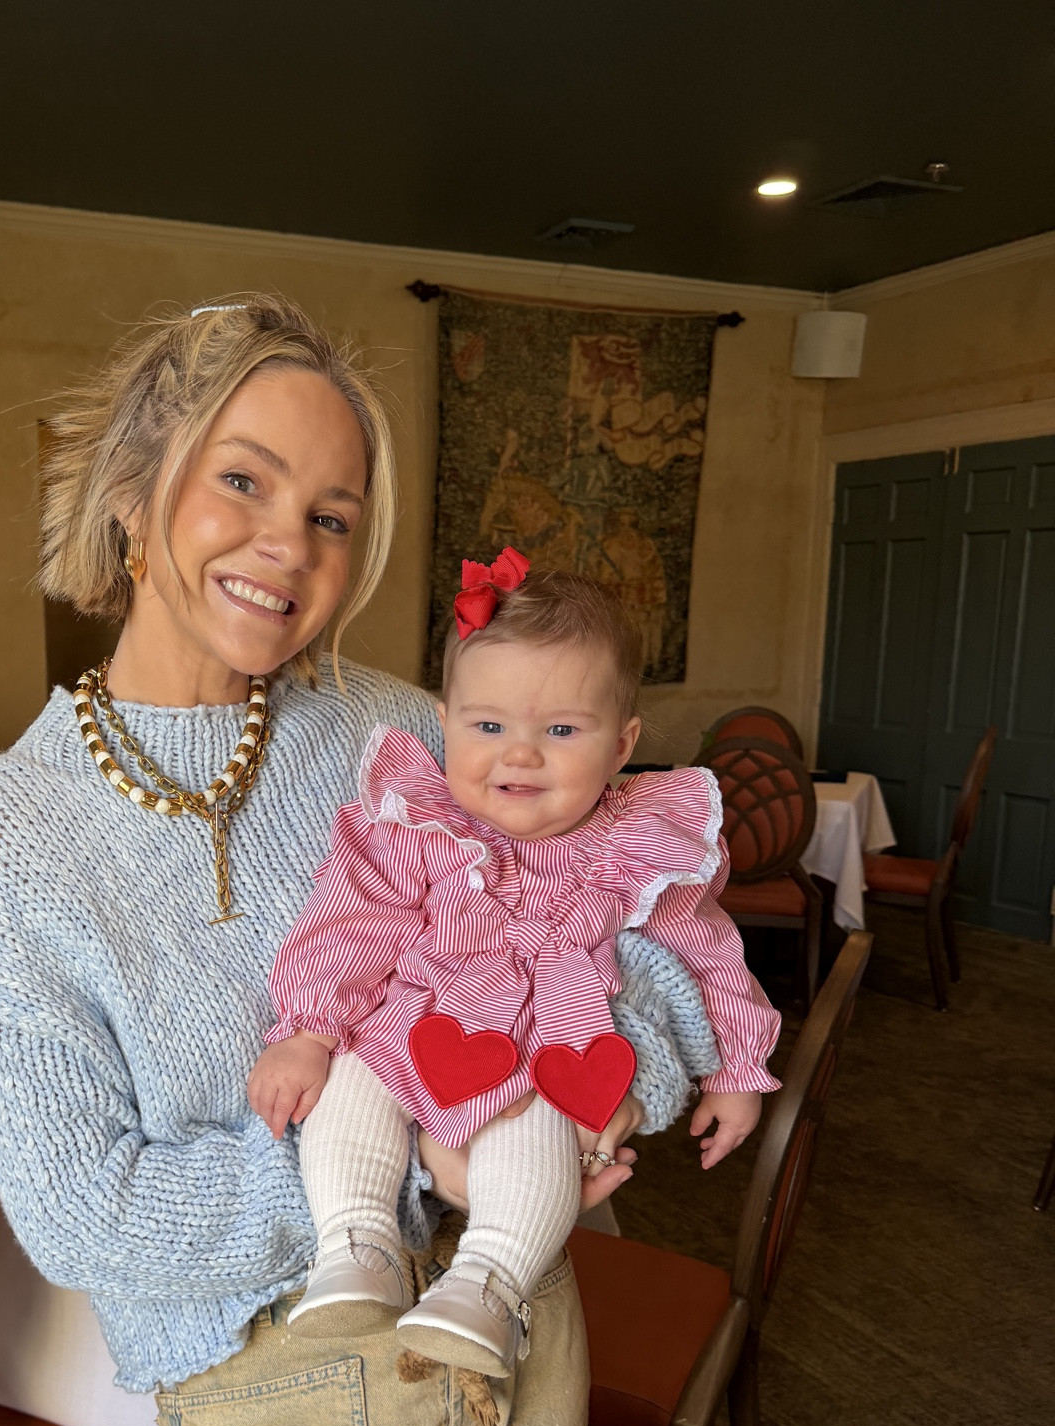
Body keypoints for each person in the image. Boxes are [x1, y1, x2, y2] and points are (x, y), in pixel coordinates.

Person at [0, 296, 723, 1426]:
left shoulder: (406, 736)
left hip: (512, 1335)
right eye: (246, 482)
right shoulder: (3, 835)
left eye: (334, 514)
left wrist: (597, 1077)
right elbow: (90, 1211)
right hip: (264, 1390)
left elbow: (652, 938)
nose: (287, 543)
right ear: (144, 488)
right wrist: (405, 1170)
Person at [249, 556, 781, 1379]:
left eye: (561, 731)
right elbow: (350, 923)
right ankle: (355, 1246)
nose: (520, 756)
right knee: (351, 1080)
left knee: (539, 1120)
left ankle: (490, 1285)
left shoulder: (635, 844)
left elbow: (709, 954)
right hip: (413, 1024)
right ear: (445, 720)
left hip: (550, 1038)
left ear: (623, 744)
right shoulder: (414, 823)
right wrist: (308, 1031)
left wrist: (738, 1066)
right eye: (488, 727)